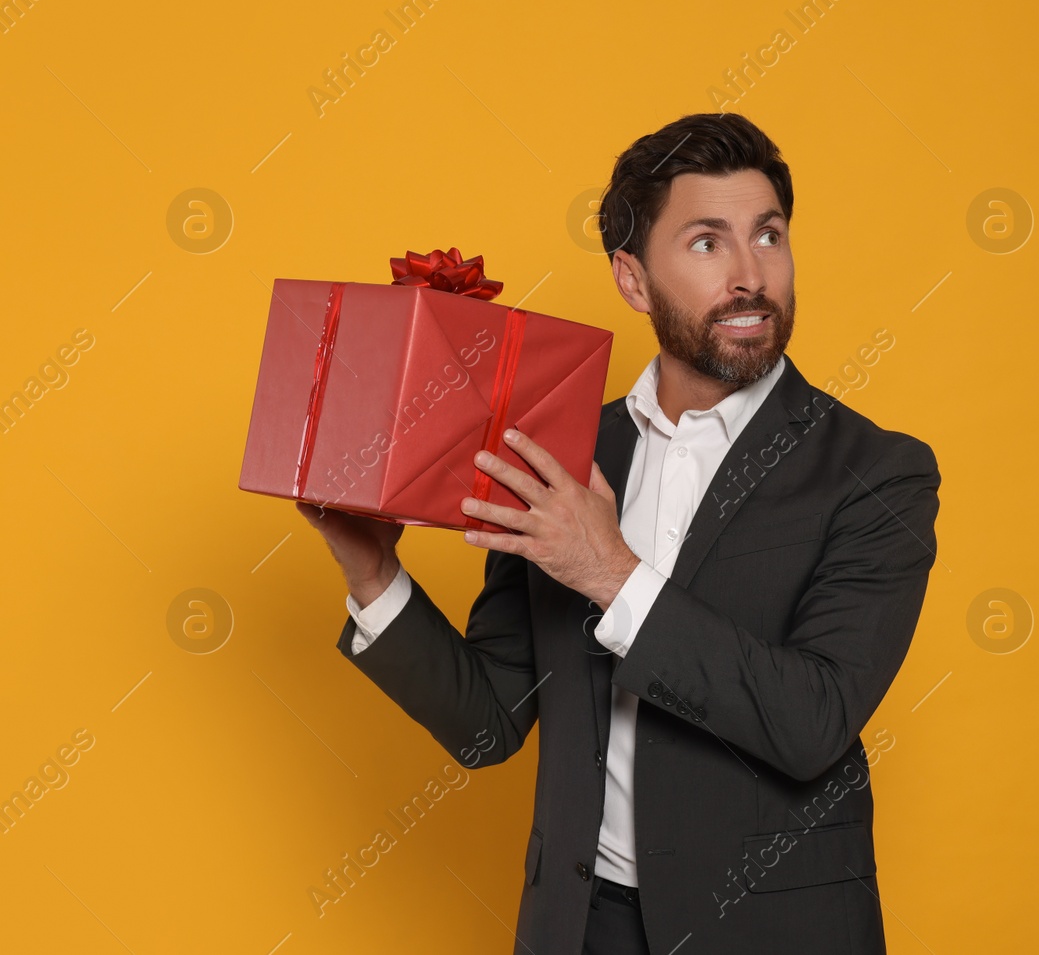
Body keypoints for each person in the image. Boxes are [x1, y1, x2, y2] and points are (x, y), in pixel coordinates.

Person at [298, 112, 940, 954]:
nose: (751, 274)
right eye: (707, 243)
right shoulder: (563, 457)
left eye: (769, 236)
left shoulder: (878, 471)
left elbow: (811, 721)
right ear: (633, 280)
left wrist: (610, 570)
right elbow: (490, 723)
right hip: (579, 927)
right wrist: (373, 572)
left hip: (769, 928)